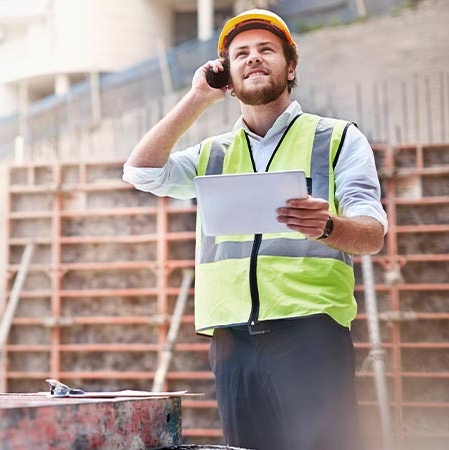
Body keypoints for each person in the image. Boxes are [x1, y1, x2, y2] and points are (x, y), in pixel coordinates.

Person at [122, 9, 387, 450]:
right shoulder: (214, 153)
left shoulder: (336, 139)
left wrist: (328, 226)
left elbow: (372, 233)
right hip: (232, 343)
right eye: (240, 53)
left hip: (310, 333)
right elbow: (140, 172)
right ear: (227, 73)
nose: (254, 58)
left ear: (291, 66)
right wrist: (196, 99)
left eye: (267, 49)